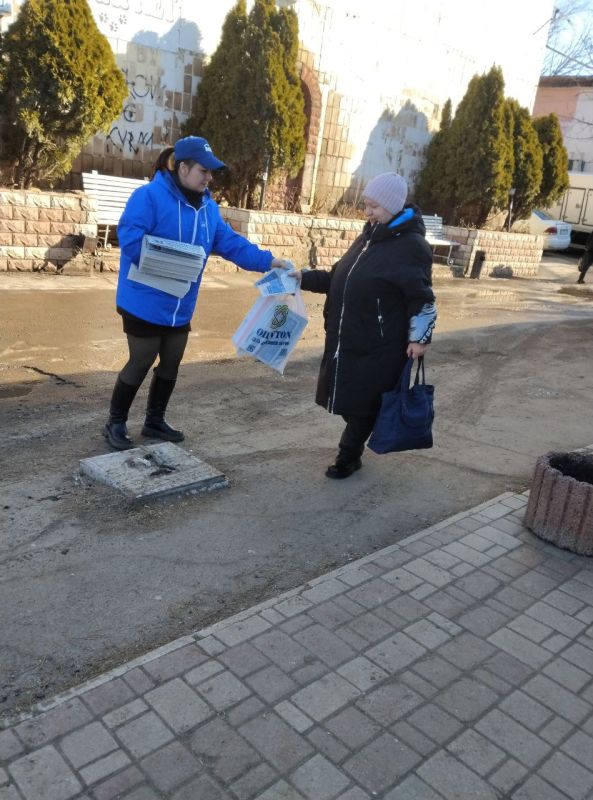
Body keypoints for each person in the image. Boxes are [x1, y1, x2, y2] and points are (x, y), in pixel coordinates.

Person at [104, 135, 291, 450]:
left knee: (172, 359)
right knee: (142, 358)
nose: (209, 177)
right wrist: (169, 262)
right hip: (144, 300)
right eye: (203, 170)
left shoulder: (208, 210)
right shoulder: (149, 196)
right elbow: (130, 236)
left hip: (179, 304)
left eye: (211, 171)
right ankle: (116, 421)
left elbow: (232, 244)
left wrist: (270, 261)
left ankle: (154, 421)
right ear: (181, 167)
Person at [296, 172, 436, 479]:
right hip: (348, 339)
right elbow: (337, 279)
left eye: (373, 206)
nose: (367, 211)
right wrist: (302, 277)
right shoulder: (369, 236)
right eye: (366, 204)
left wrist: (420, 338)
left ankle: (348, 456)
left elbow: (422, 298)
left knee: (363, 405)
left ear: (392, 205)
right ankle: (353, 446)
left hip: (380, 345)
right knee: (348, 399)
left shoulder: (412, 247)